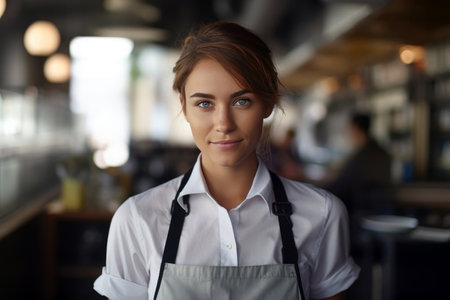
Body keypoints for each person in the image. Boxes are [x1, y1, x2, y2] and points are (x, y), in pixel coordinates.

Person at [93, 22, 359, 300]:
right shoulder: (137, 220)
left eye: (241, 101)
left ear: (267, 103)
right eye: (204, 104)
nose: (223, 124)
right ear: (184, 108)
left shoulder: (322, 214)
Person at [326, 113, 392, 218]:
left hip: (362, 213)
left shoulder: (360, 158)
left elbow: (339, 187)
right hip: (382, 210)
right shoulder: (382, 153)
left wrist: (319, 190)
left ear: (355, 128)